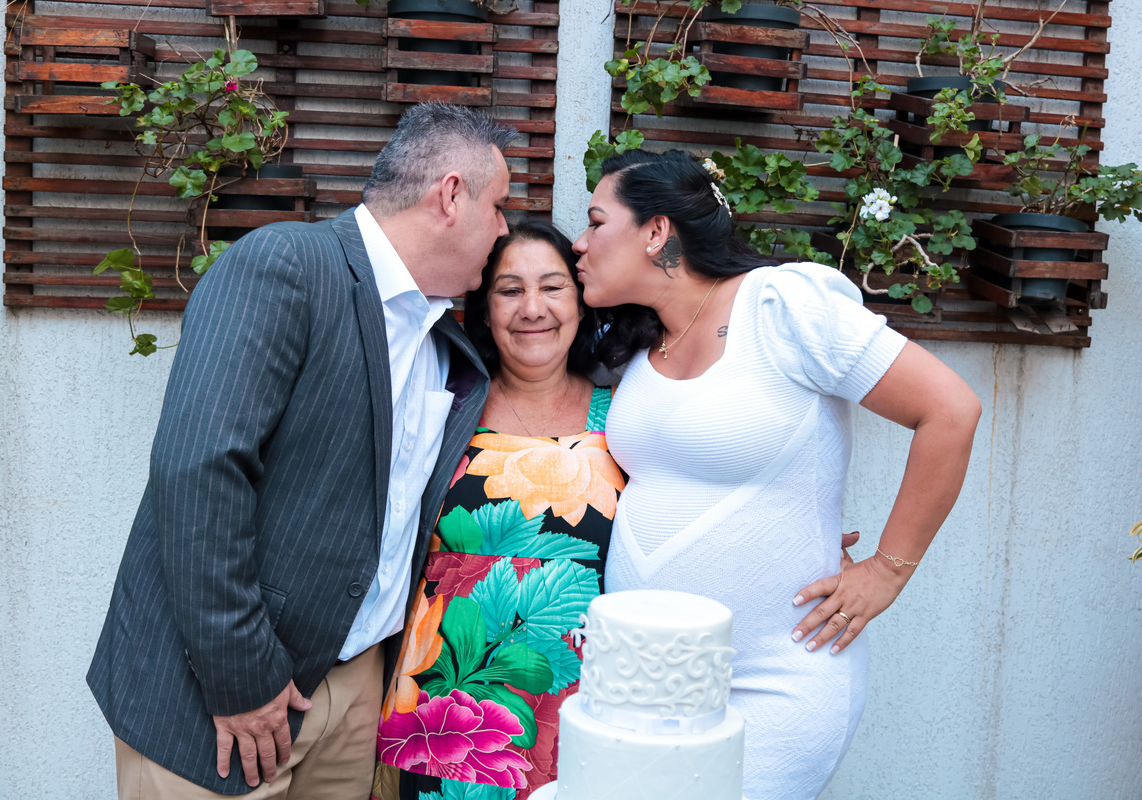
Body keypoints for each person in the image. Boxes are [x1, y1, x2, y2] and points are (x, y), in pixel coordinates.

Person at [86, 102, 516, 799]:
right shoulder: (286, 264)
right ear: (450, 196)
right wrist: (241, 677)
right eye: (498, 207)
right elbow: (199, 471)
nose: (503, 229)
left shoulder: (443, 337)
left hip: (355, 688)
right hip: (223, 694)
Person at [571, 149, 982, 800]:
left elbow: (950, 411)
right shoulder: (644, 345)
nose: (580, 242)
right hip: (645, 677)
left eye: (596, 222)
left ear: (656, 232)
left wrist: (886, 570)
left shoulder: (782, 306)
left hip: (773, 680)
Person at [372, 221, 625, 800]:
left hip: (581, 707)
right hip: (441, 707)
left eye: (552, 287)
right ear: (484, 311)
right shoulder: (445, 407)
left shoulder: (626, 417)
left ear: (581, 303)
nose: (532, 308)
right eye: (510, 290)